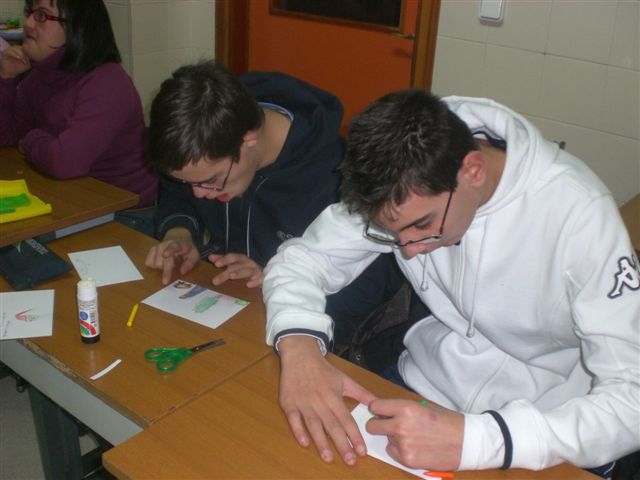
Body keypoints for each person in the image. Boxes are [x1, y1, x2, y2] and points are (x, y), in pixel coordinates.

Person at [262, 89, 640, 475]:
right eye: (392, 235)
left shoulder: (580, 215)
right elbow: (303, 259)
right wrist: (299, 349)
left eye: (422, 227)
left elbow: (632, 399)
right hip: (427, 383)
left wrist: (481, 441)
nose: (408, 251)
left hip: (539, 421)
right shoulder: (399, 174)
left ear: (473, 171)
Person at [145, 60, 405, 348]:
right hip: (218, 305)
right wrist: (179, 230)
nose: (199, 194)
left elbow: (367, 289)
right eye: (188, 182)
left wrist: (275, 278)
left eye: (211, 181)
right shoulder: (213, 132)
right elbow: (176, 188)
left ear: (248, 140)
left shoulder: (339, 178)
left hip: (292, 329)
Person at [0, 0, 158, 236]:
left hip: (128, 214)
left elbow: (65, 161)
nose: (28, 23)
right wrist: (6, 78)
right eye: (30, 13)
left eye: (42, 16)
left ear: (77, 27)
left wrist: (30, 140)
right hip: (73, 197)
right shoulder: (42, 74)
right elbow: (6, 136)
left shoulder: (108, 82)